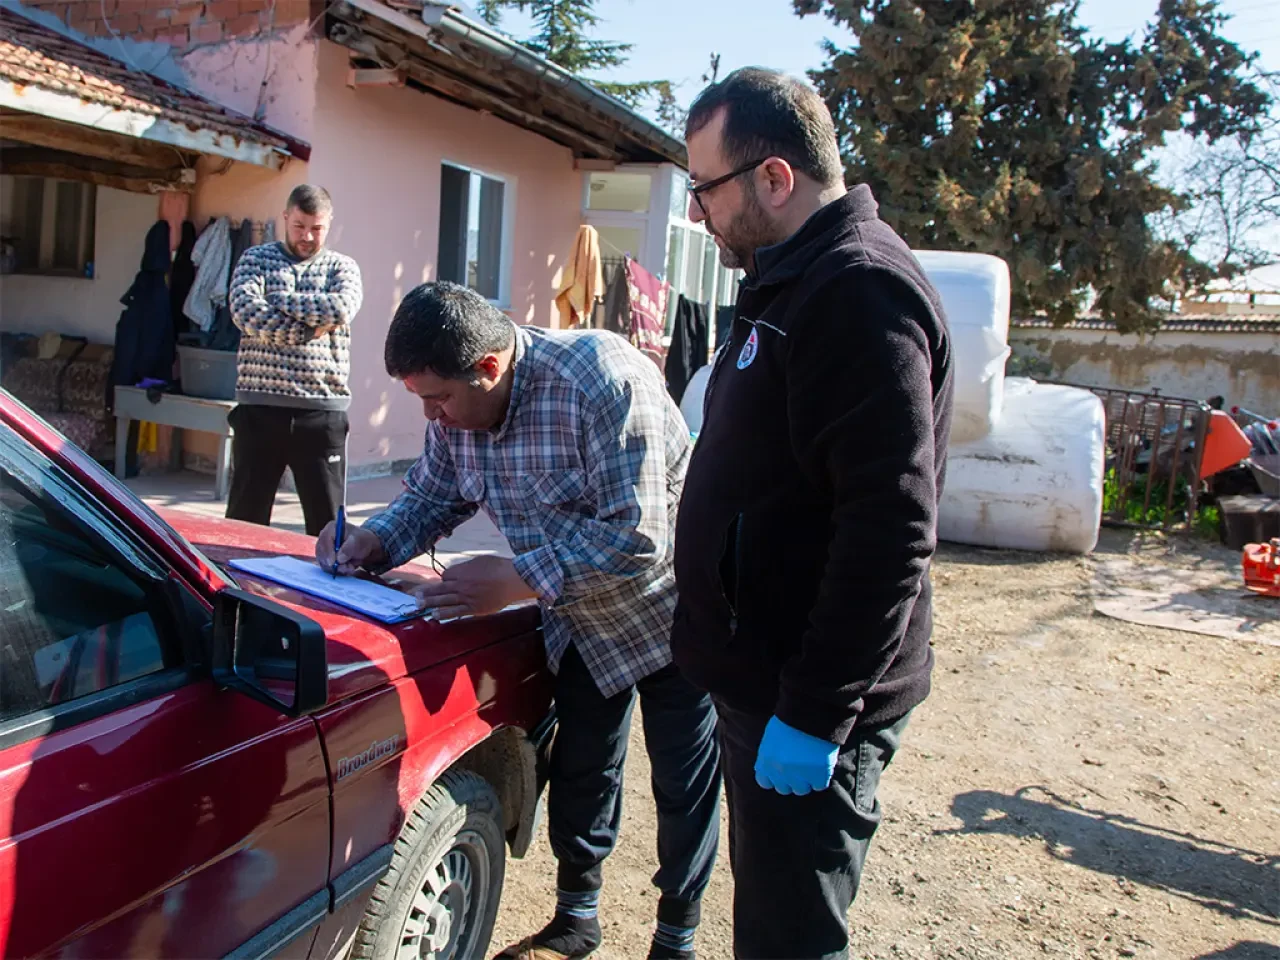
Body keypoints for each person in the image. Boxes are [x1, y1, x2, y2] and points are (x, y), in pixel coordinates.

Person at [315, 282, 720, 960]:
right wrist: (373, 541)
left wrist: (515, 580)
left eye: (439, 399)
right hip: (579, 619)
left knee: (683, 782)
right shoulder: (457, 413)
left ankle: (677, 935)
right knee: (584, 771)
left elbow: (640, 538)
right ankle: (576, 919)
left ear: (489, 367)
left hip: (671, 613)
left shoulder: (603, 381)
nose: (433, 416)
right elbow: (432, 496)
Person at [672, 68, 956, 959]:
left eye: (703, 189)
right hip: (763, 679)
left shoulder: (857, 291)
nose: (695, 213)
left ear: (774, 178)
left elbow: (889, 528)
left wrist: (815, 711)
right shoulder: (789, 278)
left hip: (803, 699)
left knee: (788, 940)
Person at [225, 184, 363, 536]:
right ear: (285, 217)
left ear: (329, 223)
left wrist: (277, 299)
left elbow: (340, 308)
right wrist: (310, 329)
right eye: (299, 226)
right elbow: (245, 312)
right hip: (259, 409)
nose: (307, 236)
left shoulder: (342, 267)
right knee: (244, 522)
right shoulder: (255, 260)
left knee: (328, 528)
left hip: (321, 413)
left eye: (317, 228)